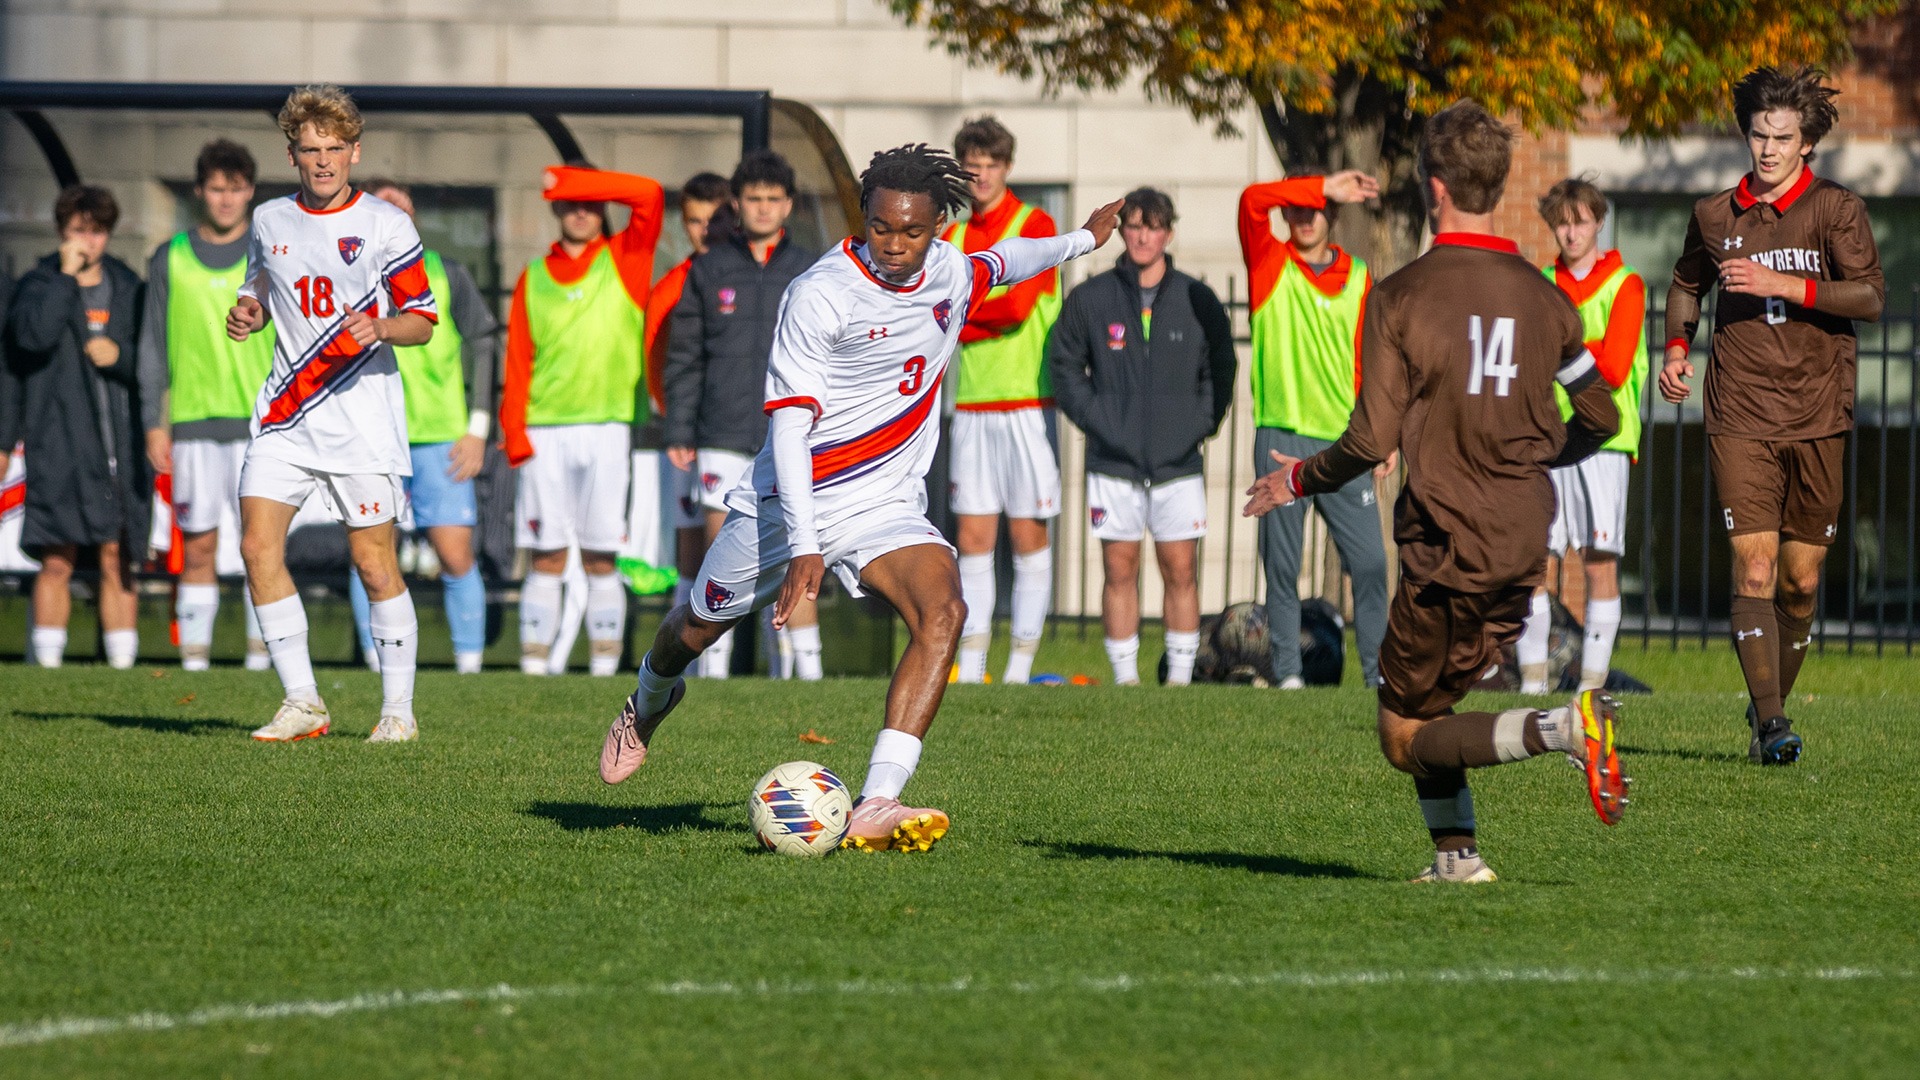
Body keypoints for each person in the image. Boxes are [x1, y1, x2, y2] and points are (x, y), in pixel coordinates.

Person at [600, 143, 1121, 852]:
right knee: (693, 627)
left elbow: (1008, 261)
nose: (896, 246)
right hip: (789, 504)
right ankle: (646, 704)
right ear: (863, 217)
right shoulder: (820, 293)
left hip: (884, 504)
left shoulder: (949, 268)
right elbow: (788, 424)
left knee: (946, 611)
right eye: (881, 228)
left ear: (939, 223)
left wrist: (1085, 239)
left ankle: (879, 798)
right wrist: (806, 544)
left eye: (913, 231)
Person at [1243, 100, 1629, 883]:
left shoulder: (1400, 295)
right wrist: (1539, 456)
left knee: (1402, 734)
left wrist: (1293, 478)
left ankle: (1562, 729)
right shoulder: (1547, 297)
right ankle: (1457, 858)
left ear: (1435, 185)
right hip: (1524, 535)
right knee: (1436, 699)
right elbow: (1601, 413)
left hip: (1448, 542)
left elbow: (1367, 442)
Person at [1660, 66, 1884, 765]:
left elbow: (1872, 297)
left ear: (1806, 142)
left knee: (1800, 582)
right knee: (1753, 573)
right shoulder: (1715, 214)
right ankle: (1772, 724)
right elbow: (1683, 283)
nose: (1767, 148)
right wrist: (1674, 348)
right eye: (1758, 134)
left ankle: (1768, 718)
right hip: (1740, 413)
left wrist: (1783, 283)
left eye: (1782, 137)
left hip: (1819, 412)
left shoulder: (1836, 210)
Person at [228, 83, 438, 742]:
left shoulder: (386, 224)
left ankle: (398, 713)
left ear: (355, 150)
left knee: (375, 566)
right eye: (309, 150)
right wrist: (248, 312)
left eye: (334, 149)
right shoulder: (268, 220)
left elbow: (423, 321)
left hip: (361, 421)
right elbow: (259, 288)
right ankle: (303, 702)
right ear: (292, 154)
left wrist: (380, 329)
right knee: (257, 546)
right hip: (286, 417)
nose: (322, 162)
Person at [1050, 187, 1235, 685]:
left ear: (1168, 233)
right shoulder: (1092, 297)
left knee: (1181, 571)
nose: (1142, 236)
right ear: (1121, 232)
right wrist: (1102, 420)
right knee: (1119, 570)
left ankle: (1178, 679)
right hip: (1114, 462)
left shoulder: (1197, 298)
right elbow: (1063, 366)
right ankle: (1125, 681)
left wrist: (1198, 425)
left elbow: (1221, 370)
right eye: (1133, 226)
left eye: (1152, 226)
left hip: (1178, 464)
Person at [500, 160, 665, 677]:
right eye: (569, 204)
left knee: (600, 556)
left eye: (590, 204)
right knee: (546, 554)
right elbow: (517, 361)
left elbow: (649, 193)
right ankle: (532, 669)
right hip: (544, 431)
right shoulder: (532, 279)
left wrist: (572, 181)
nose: (579, 212)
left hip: (607, 427)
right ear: (555, 211)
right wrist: (513, 433)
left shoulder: (625, 259)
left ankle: (602, 671)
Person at [663, 150, 819, 679]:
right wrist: (681, 429)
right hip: (720, 431)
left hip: (792, 434)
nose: (763, 208)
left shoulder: (810, 269)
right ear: (738, 202)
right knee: (719, 548)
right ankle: (714, 673)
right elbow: (684, 357)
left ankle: (803, 674)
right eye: (754, 198)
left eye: (774, 199)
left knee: (801, 545)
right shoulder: (708, 268)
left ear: (789, 206)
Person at [1238, 165, 1390, 691]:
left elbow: (1369, 362)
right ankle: (1288, 676)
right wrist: (1322, 186)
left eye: (1316, 209)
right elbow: (1252, 200)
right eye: (1297, 207)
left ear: (1332, 217)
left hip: (1345, 443)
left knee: (1370, 565)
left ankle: (1378, 678)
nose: (1305, 216)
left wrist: (1382, 434)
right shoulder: (1268, 262)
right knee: (1281, 567)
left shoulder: (1361, 276)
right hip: (1280, 435)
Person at [345, 179, 497, 675]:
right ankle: (376, 663)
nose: (398, 218)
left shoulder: (446, 272)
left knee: (454, 555)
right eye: (387, 208)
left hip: (439, 437)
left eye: (406, 210)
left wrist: (477, 428)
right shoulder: (346, 275)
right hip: (370, 436)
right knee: (370, 553)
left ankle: (468, 668)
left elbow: (484, 342)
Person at [139, 140, 279, 672]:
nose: (226, 199)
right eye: (216, 188)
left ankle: (261, 662)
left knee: (261, 549)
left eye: (236, 188)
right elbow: (152, 344)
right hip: (194, 425)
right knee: (197, 549)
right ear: (200, 191)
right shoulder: (169, 256)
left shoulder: (269, 251)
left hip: (261, 426)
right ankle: (195, 662)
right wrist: (156, 422)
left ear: (250, 192)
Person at [0, 185, 148, 669]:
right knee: (57, 557)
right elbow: (31, 339)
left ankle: (123, 669)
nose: (87, 241)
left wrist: (119, 357)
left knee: (115, 556)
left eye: (97, 231)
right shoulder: (39, 281)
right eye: (78, 231)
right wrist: (64, 277)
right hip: (57, 440)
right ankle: (47, 667)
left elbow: (150, 363)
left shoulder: (127, 285)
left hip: (115, 446)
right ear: (61, 232)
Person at [941, 116, 1063, 685]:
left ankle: (1019, 670)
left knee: (1027, 536)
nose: (981, 173)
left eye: (990, 163)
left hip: (1025, 404)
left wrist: (961, 316)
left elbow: (1016, 309)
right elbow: (930, 310)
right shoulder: (953, 237)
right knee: (972, 540)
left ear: (1006, 168)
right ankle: (975, 667)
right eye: (972, 164)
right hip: (970, 407)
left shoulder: (1034, 223)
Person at [1516, 178, 1649, 694]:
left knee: (1598, 566)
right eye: (1562, 223)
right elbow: (1527, 361)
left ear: (1599, 222)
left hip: (1604, 444)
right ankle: (1532, 681)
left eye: (1580, 221)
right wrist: (1577, 349)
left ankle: (1590, 686)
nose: (1571, 233)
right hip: (1547, 440)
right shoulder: (1540, 284)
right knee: (1535, 564)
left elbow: (1614, 368)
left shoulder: (1627, 284)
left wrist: (1561, 349)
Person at [644, 172, 730, 609]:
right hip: (685, 435)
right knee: (690, 549)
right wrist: (673, 419)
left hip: (738, 431)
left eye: (713, 219)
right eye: (695, 221)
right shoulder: (670, 286)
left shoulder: (749, 276)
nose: (705, 230)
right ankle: (688, 660)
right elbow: (656, 361)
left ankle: (788, 667)